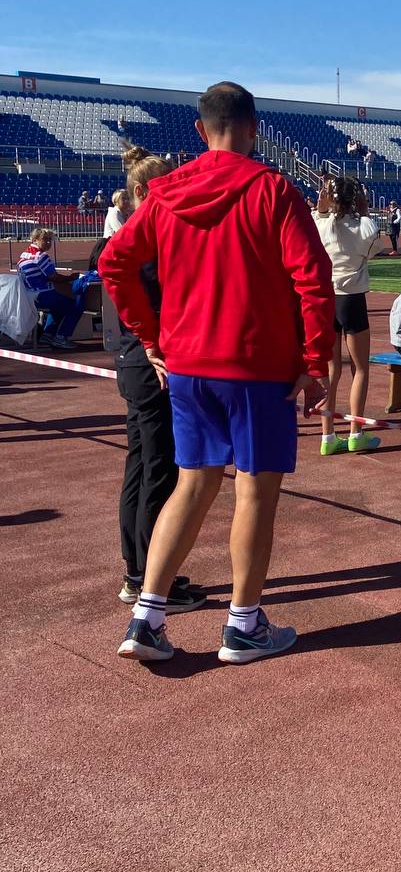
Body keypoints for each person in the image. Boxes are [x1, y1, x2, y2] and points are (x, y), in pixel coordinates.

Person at [99, 80, 336, 665]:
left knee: (192, 483)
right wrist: (315, 362)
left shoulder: (164, 194)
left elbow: (114, 263)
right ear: (254, 129)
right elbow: (313, 279)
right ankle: (243, 624)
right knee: (254, 491)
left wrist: (152, 337)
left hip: (187, 365)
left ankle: (147, 617)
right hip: (257, 367)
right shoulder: (273, 190)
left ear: (200, 131)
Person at [111, 147, 207, 611]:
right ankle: (152, 580)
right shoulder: (147, 246)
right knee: (159, 472)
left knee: (139, 468)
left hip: (133, 363)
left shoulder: (131, 239)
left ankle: (136, 572)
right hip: (153, 367)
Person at [312, 174, 382, 456]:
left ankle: (327, 436)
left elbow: (317, 219)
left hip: (326, 299)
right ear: (357, 199)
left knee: (331, 370)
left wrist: (321, 209)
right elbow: (374, 248)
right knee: (360, 368)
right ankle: (356, 432)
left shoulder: (321, 225)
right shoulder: (365, 227)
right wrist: (364, 213)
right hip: (351, 299)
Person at [16, 227, 86, 349]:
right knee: (75, 307)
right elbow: (55, 278)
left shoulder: (24, 254)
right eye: (45, 239)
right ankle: (61, 337)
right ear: (35, 240)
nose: (48, 242)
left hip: (28, 296)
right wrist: (72, 277)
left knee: (58, 306)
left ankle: (48, 334)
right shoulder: (40, 256)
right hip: (41, 295)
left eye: (50, 240)